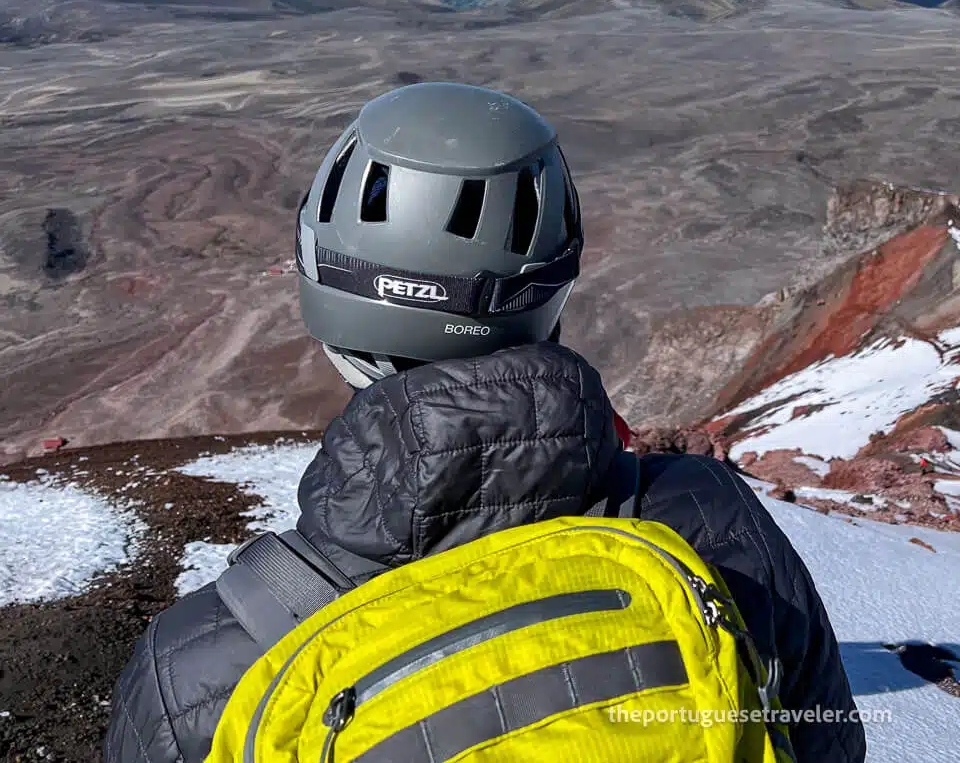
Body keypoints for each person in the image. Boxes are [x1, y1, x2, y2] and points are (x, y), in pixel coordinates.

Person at [104, 82, 865, 763]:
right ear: (551, 287)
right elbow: (828, 743)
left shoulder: (191, 673)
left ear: (323, 288)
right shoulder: (716, 521)